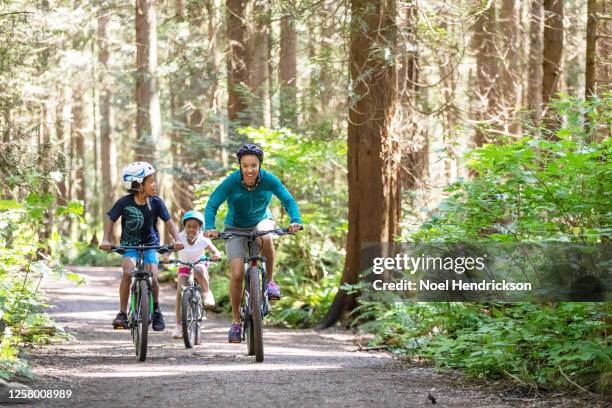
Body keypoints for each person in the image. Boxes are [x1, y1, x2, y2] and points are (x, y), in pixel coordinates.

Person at [204, 143, 302, 343]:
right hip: (235, 228)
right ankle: (236, 322)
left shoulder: (268, 179)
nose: (249, 170)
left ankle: (270, 282)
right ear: (240, 165)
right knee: (238, 273)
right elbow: (213, 203)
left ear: (260, 165)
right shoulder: (232, 181)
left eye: (254, 165)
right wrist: (210, 226)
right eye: (245, 165)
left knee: (266, 236)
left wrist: (295, 220)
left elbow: (288, 200)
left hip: (260, 222)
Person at [100, 161, 184, 332]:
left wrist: (176, 239)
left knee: (152, 276)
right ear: (138, 185)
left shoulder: (157, 202)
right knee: (127, 272)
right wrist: (105, 239)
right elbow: (111, 219)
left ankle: (157, 310)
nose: (154, 184)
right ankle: (122, 313)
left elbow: (169, 222)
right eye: (150, 181)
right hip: (129, 246)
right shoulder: (124, 202)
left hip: (150, 246)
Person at [172, 210, 221, 339]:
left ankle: (206, 293)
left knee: (199, 269)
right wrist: (166, 257)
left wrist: (216, 255)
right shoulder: (179, 237)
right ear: (185, 227)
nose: (191, 229)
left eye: (195, 227)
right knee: (179, 291)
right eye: (189, 226)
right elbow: (170, 249)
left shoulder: (203, 239)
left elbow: (215, 252)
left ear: (200, 228)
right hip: (184, 266)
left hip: (199, 265)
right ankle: (178, 325)